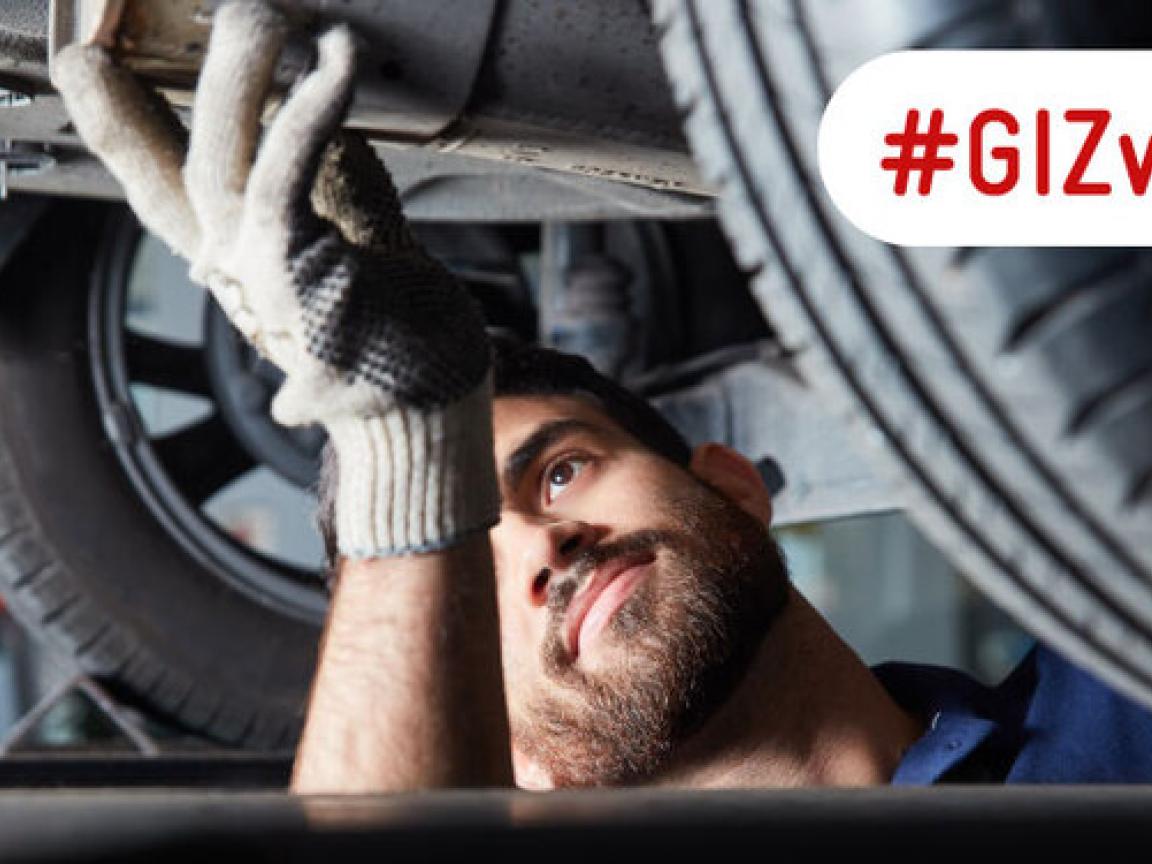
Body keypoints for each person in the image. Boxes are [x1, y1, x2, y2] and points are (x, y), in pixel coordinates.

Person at [51, 0, 1152, 792]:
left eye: (561, 468)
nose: (544, 548)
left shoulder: (1123, 684)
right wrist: (400, 449)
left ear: (730, 482)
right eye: (476, 587)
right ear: (506, 758)